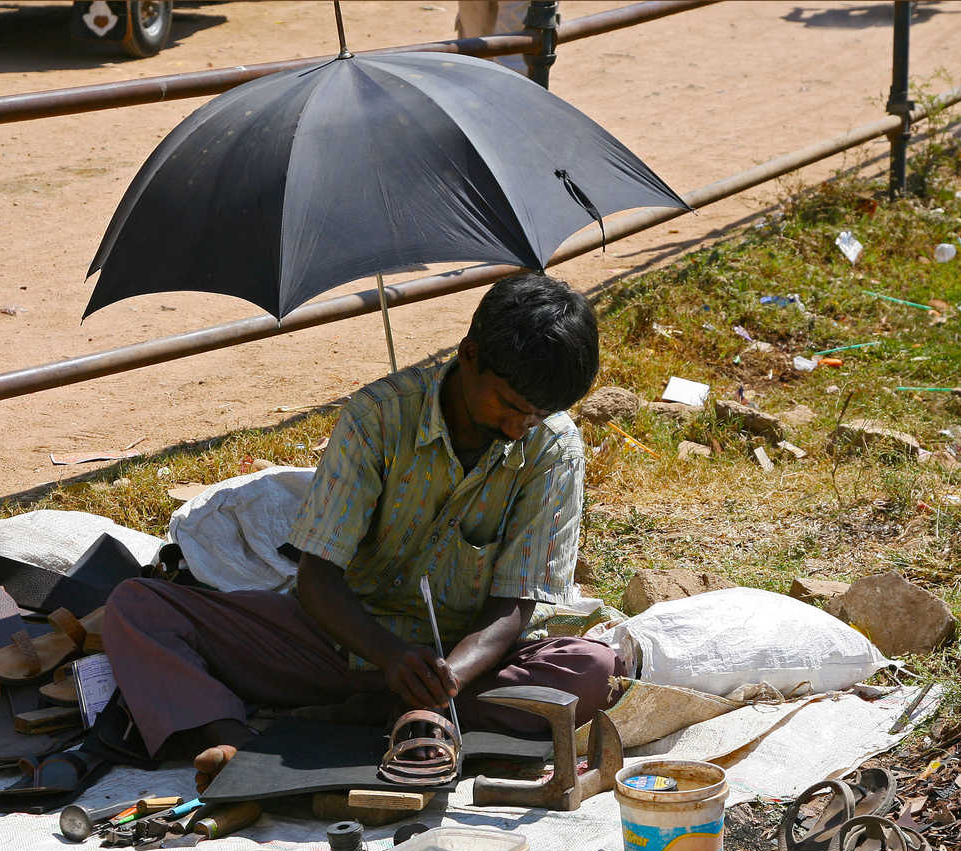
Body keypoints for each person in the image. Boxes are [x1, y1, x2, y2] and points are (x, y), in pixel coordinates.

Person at [102, 274, 625, 790]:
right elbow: (317, 577)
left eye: (538, 414)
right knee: (139, 606)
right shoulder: (377, 417)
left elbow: (514, 606)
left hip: (467, 664)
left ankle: (389, 710)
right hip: (343, 644)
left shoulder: (552, 448)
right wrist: (390, 656)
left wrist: (444, 680)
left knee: (596, 666)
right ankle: (234, 742)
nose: (518, 427)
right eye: (509, 406)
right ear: (469, 354)